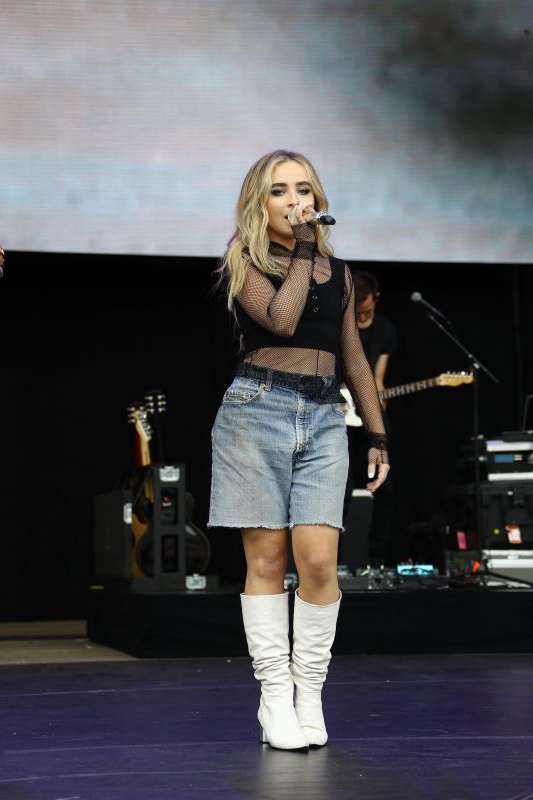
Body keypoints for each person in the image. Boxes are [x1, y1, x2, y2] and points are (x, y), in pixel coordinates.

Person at [208, 150, 389, 752]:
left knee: (317, 562)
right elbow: (282, 321)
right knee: (266, 560)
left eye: (303, 189)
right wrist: (309, 249)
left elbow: (353, 356)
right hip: (255, 412)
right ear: (261, 202)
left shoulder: (338, 274)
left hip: (323, 415)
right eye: (280, 191)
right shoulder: (245, 259)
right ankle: (273, 697)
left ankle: (308, 689)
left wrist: (378, 431)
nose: (294, 200)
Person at [342, 271, 397, 570]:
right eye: (358, 312)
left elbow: (377, 379)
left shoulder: (386, 331)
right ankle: (333, 562)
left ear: (376, 298)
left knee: (385, 488)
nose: (363, 317)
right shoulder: (342, 325)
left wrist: (379, 406)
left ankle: (377, 561)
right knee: (342, 490)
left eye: (367, 311)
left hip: (368, 413)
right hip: (339, 414)